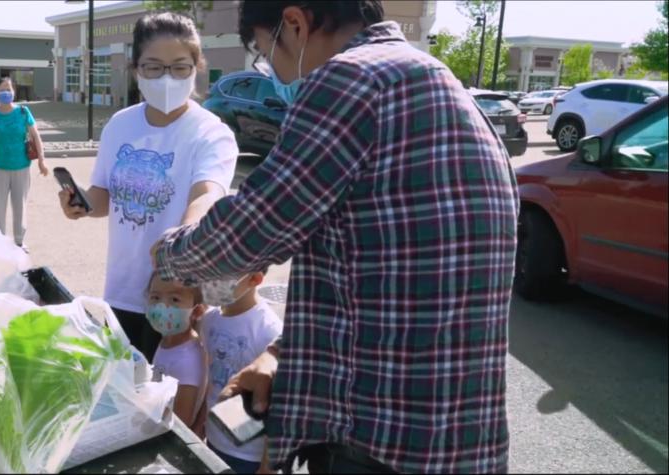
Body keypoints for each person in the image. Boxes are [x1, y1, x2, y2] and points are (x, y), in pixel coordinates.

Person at [152, 1, 518, 473]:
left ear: (296, 24)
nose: (276, 75)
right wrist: (283, 356)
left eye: (267, 54)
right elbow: (395, 277)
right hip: (461, 438)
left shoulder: (350, 79)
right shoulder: (445, 87)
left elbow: (254, 229)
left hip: (380, 441)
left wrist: (168, 254)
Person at [58, 12, 238, 362]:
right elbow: (103, 196)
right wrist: (80, 203)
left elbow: (207, 194)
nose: (167, 77)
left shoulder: (211, 133)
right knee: (125, 394)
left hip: (176, 296)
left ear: (197, 66)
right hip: (121, 290)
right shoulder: (119, 125)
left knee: (171, 402)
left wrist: (179, 239)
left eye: (180, 67)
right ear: (136, 68)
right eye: (154, 67)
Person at [196, 270, 282, 474]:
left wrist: (267, 466)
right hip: (214, 438)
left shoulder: (269, 331)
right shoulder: (209, 320)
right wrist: (201, 422)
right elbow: (210, 379)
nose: (211, 280)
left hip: (249, 456)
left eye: (223, 273)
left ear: (255, 278)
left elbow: (280, 406)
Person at [0, 77, 49, 249]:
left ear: (14, 92)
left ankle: (19, 242)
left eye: (8, 89)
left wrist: (42, 161)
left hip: (21, 166)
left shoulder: (23, 112)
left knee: (20, 206)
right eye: (2, 90)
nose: (5, 93)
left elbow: (36, 136)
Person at [145, 272, 208, 433]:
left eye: (174, 300)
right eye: (155, 297)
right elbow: (157, 380)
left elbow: (183, 420)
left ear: (197, 312)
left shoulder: (188, 360)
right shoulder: (167, 339)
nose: (162, 306)